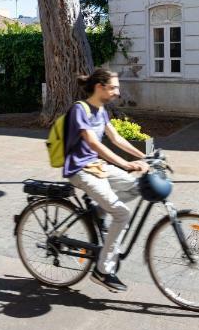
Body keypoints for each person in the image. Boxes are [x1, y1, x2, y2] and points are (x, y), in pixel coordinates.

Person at [63, 68, 149, 293]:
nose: (117, 92)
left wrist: (146, 157)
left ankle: (99, 211)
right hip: (80, 170)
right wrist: (126, 164)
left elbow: (116, 138)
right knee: (122, 214)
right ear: (100, 87)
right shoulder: (79, 110)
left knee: (138, 186)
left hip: (97, 167)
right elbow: (94, 144)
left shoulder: (101, 110)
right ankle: (103, 270)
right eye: (113, 87)